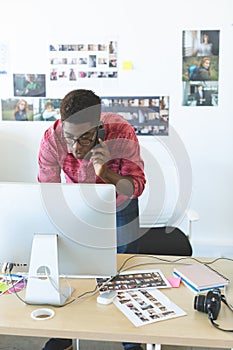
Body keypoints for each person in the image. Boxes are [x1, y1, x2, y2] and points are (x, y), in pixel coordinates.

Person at [38, 89, 146, 350]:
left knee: (122, 270)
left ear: (98, 127)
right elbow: (47, 192)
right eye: (70, 137)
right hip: (77, 200)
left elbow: (136, 187)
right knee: (72, 266)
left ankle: (130, 339)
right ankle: (64, 333)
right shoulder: (52, 140)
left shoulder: (121, 133)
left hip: (119, 203)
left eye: (84, 137)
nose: (76, 148)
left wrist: (104, 172)